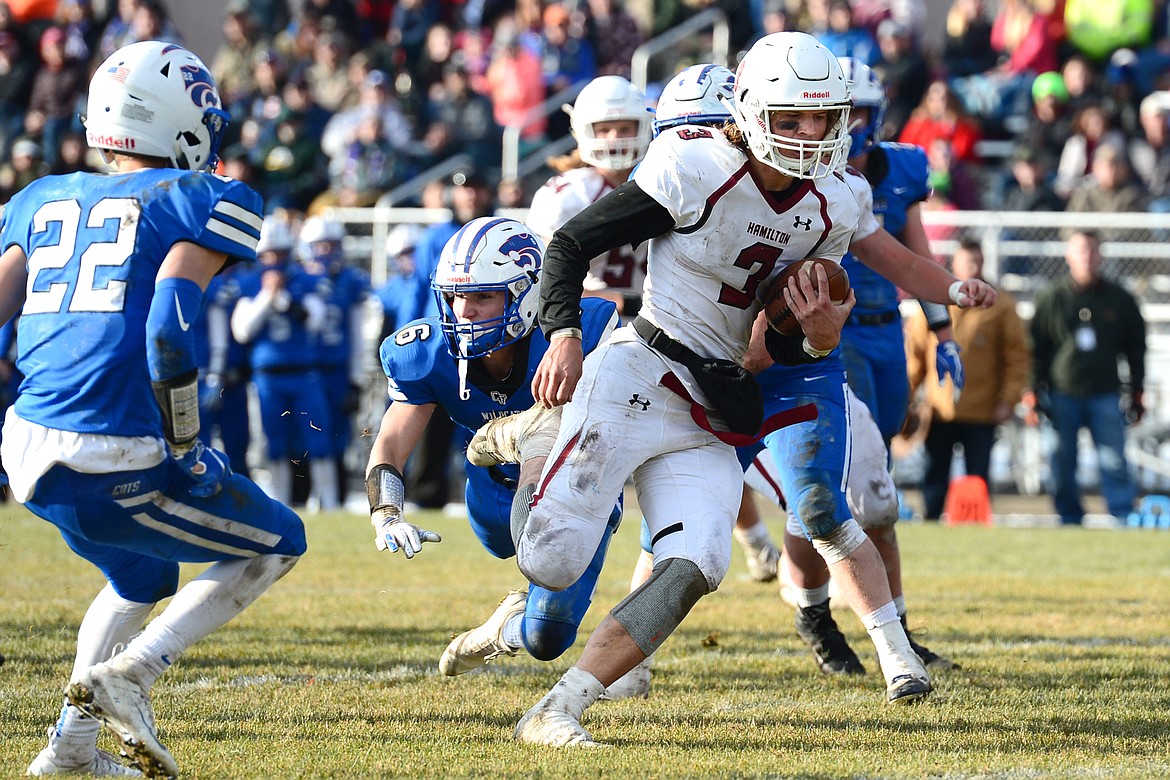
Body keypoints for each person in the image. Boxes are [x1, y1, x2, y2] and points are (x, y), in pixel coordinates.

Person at [472, 32, 977, 746]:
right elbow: (570, 245)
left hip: (717, 398)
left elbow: (785, 337)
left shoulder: (836, 200)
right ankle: (534, 445)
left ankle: (558, 708)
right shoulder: (694, 166)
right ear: (749, 112)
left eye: (823, 118)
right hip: (641, 369)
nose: (811, 135)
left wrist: (821, 336)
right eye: (792, 119)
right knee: (551, 561)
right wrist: (563, 334)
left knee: (697, 565)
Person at [1, 41, 305, 777]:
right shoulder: (206, 197)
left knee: (141, 577)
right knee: (280, 539)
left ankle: (70, 749)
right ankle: (132, 674)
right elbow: (169, 320)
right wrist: (186, 444)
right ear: (181, 122)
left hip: (26, 448)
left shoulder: (41, 196)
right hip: (114, 446)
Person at [365, 215, 627, 681]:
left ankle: (501, 630)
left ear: (527, 293)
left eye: (483, 295)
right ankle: (515, 609)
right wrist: (386, 510)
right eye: (456, 295)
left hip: (575, 487)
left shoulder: (583, 330)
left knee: (546, 638)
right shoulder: (424, 352)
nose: (464, 309)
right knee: (512, 553)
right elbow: (391, 438)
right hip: (490, 492)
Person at [1024, 229, 1146, 526]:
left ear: (1101, 255)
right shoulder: (1052, 297)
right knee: (1061, 460)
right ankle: (1069, 517)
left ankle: (1121, 516)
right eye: (1080, 251)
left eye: (1092, 251)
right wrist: (1030, 391)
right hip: (1061, 391)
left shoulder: (1119, 298)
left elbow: (1135, 346)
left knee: (1113, 460)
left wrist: (1138, 388)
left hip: (1105, 391)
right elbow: (1034, 347)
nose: (1087, 258)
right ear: (1068, 255)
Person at [905, 239, 1031, 520]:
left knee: (978, 477)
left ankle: (975, 523)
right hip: (939, 409)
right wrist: (907, 395)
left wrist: (1008, 399)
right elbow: (916, 355)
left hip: (982, 408)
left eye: (976, 260)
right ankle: (932, 522)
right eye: (966, 261)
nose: (971, 267)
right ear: (954, 264)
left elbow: (1016, 357)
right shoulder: (934, 302)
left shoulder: (1001, 306)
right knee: (934, 474)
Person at [232, 214, 338, 510]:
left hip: (304, 373)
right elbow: (242, 330)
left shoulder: (306, 281)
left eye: (279, 253)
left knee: (318, 440)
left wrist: (283, 300)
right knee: (273, 443)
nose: (274, 260)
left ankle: (327, 503)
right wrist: (267, 295)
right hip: (267, 376)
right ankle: (279, 502)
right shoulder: (250, 283)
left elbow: (314, 319)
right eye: (268, 254)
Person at [299, 215, 373, 504]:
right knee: (301, 439)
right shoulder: (297, 280)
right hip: (304, 369)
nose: (327, 253)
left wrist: (355, 378)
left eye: (332, 246)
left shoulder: (349, 281)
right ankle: (300, 497)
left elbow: (356, 334)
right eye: (321, 246)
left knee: (336, 438)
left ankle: (334, 500)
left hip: (337, 370)